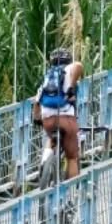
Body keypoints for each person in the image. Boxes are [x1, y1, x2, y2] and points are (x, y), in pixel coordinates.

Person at [32, 46, 84, 180]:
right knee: (72, 157)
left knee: (51, 137)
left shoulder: (47, 78)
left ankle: (46, 158)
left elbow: (36, 102)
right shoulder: (68, 70)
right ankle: (72, 194)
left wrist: (36, 118)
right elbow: (79, 65)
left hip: (48, 119)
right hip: (66, 117)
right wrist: (71, 87)